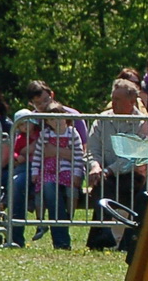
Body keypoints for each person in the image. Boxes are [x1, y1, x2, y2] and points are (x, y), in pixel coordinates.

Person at [7, 81, 88, 248]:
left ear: (52, 95)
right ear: (31, 104)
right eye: (37, 103)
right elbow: (21, 147)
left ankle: (61, 239)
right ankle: (15, 238)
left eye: (45, 100)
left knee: (51, 188)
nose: (43, 105)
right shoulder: (31, 119)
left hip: (69, 166)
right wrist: (35, 151)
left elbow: (83, 150)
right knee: (17, 183)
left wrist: (54, 151)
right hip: (35, 166)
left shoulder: (71, 115)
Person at [85, 79, 148, 250]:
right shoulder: (102, 120)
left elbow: (132, 157)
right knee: (101, 184)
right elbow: (92, 149)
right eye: (113, 98)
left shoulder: (141, 123)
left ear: (132, 102)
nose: (113, 103)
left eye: (118, 99)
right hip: (105, 173)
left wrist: (108, 170)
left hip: (132, 174)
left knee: (115, 187)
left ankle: (111, 237)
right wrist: (95, 166)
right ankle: (105, 234)